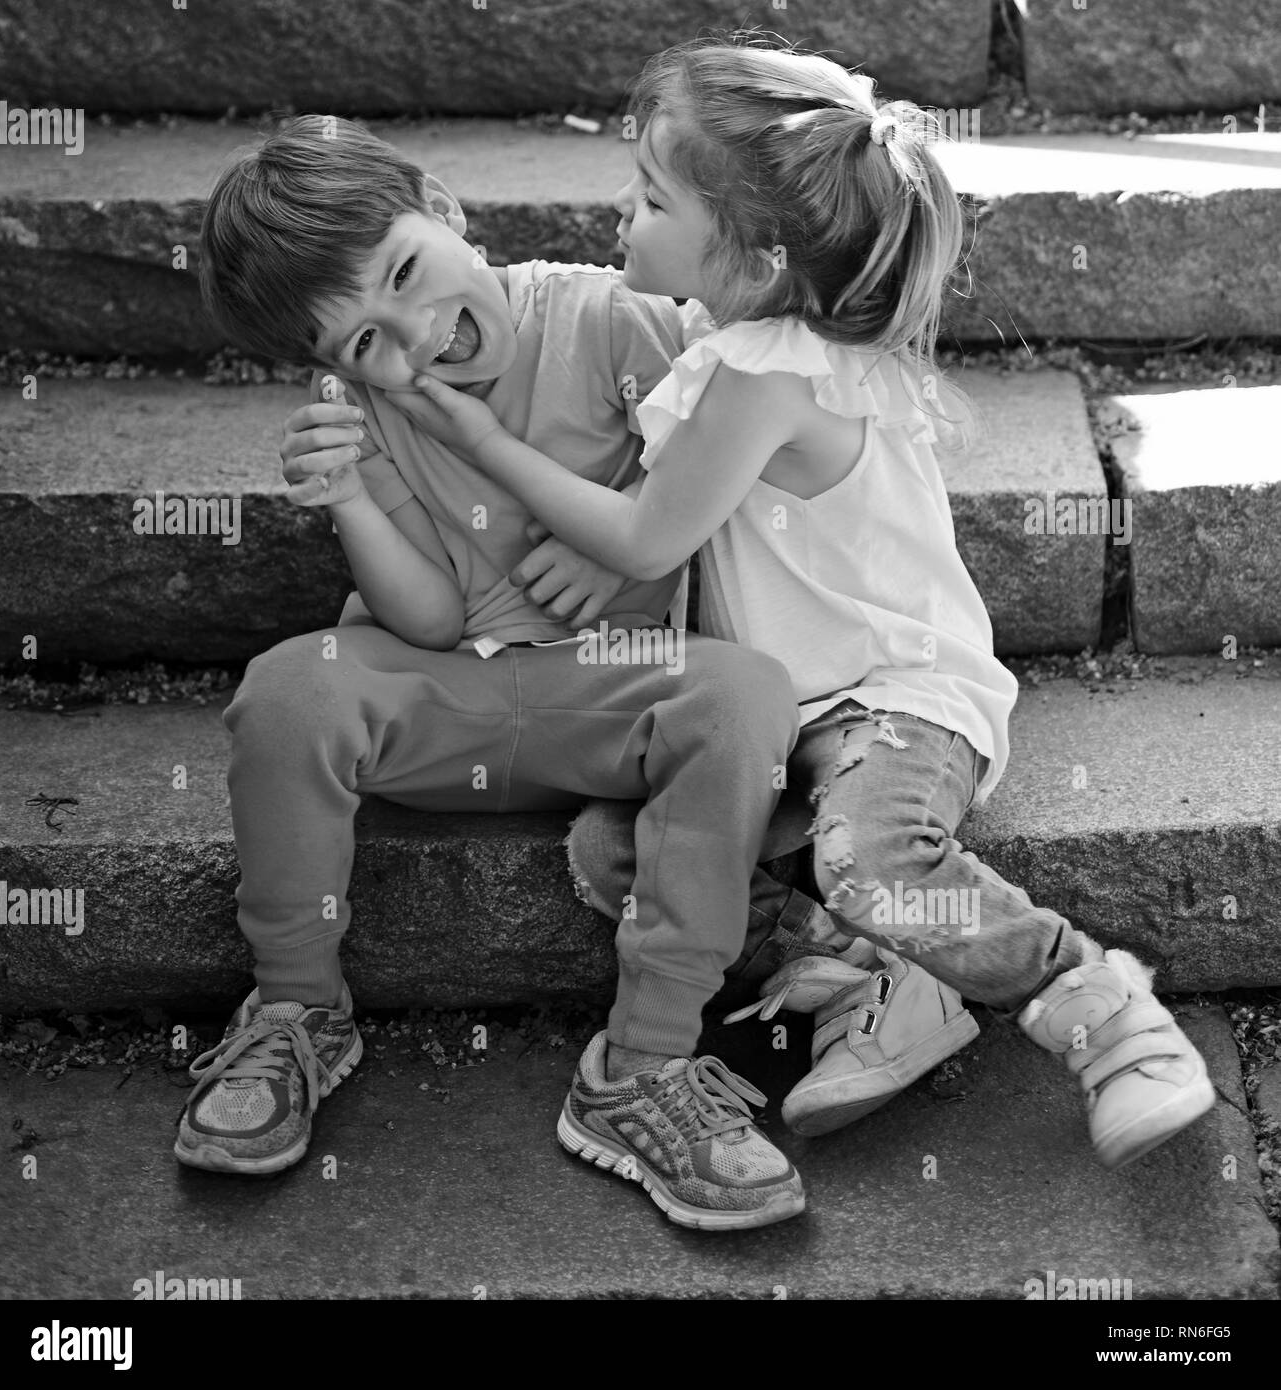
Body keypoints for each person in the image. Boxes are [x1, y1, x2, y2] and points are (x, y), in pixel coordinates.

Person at [400, 36, 1216, 1170]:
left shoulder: (766, 375)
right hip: (783, 712)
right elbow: (675, 496)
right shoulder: (739, 340)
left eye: (647, 198)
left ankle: (1103, 1010)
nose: (619, 220)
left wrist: (482, 439)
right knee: (612, 854)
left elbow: (650, 531)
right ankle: (876, 973)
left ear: (752, 250)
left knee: (869, 858)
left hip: (891, 700)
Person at [180, 114, 816, 1231]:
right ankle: (296, 1012)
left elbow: (731, 438)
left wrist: (628, 532)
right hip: (447, 695)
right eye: (365, 341)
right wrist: (352, 500)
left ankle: (643, 1067)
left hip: (614, 682)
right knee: (289, 687)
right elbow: (423, 617)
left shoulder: (612, 322)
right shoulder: (368, 411)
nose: (417, 340)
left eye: (410, 276)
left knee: (746, 695)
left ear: (445, 203)